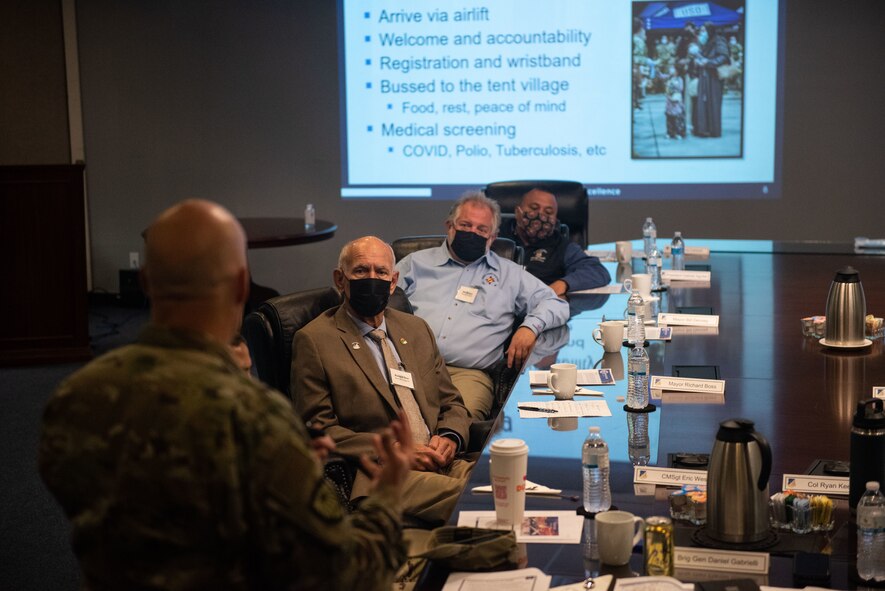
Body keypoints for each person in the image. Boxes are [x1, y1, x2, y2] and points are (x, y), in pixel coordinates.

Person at [39, 199, 414, 591]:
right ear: (240, 285)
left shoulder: (74, 397)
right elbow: (345, 575)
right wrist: (387, 493)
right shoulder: (254, 418)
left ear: (146, 281)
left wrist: (282, 470)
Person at [293, 236, 473, 526]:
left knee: (511, 480)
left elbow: (451, 402)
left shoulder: (415, 329)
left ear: (393, 282)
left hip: (442, 461)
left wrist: (450, 437)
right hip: (384, 474)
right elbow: (318, 429)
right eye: (361, 271)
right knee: (483, 501)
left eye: (381, 272)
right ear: (341, 279)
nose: (372, 278)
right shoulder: (314, 340)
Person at [396, 191, 570, 420]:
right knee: (388, 419)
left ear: (492, 237)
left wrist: (530, 327)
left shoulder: (510, 274)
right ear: (450, 226)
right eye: (465, 225)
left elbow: (555, 304)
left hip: (468, 375)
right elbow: (380, 301)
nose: (472, 233)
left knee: (458, 424)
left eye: (481, 230)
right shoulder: (415, 263)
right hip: (408, 368)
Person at [497, 188, 610, 296]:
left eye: (548, 212)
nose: (540, 216)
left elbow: (598, 271)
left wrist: (563, 284)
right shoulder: (495, 234)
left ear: (555, 220)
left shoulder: (561, 246)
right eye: (534, 208)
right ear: (517, 212)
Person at [693, 21, 730, 138]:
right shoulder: (705, 43)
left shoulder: (719, 40)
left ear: (710, 31)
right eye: (701, 31)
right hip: (705, 75)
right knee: (703, 103)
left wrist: (709, 62)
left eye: (704, 31)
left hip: (714, 77)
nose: (702, 33)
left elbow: (724, 56)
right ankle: (704, 129)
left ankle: (714, 130)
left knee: (713, 102)